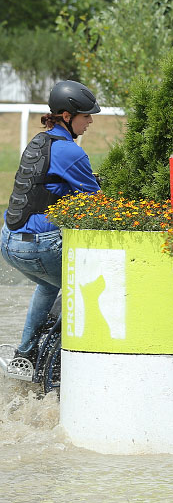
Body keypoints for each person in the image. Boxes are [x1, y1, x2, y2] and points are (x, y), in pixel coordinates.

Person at [1, 80, 101, 367]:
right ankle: (59, 360)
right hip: (36, 248)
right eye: (86, 116)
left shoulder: (40, 141)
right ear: (67, 117)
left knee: (48, 286)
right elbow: (96, 203)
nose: (91, 121)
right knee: (82, 286)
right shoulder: (71, 152)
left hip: (8, 240)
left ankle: (26, 354)